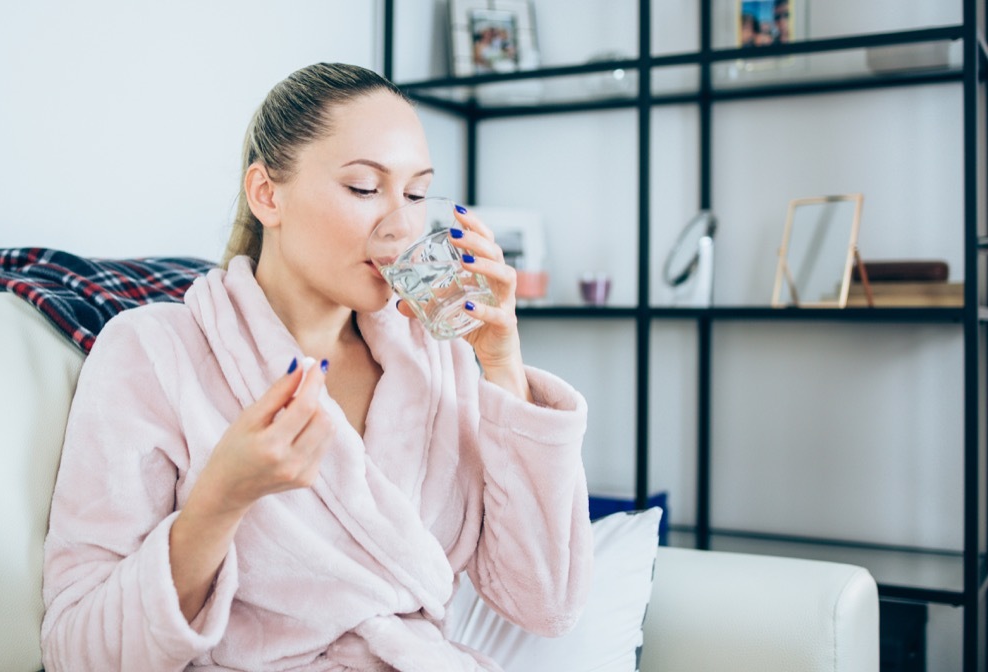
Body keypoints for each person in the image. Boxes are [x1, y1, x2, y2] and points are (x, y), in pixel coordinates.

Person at [40, 62, 592, 672]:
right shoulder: (151, 353)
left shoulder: (440, 362)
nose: (403, 225)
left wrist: (503, 368)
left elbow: (546, 605)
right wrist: (222, 498)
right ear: (267, 194)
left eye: (415, 194)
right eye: (364, 188)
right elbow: (78, 652)